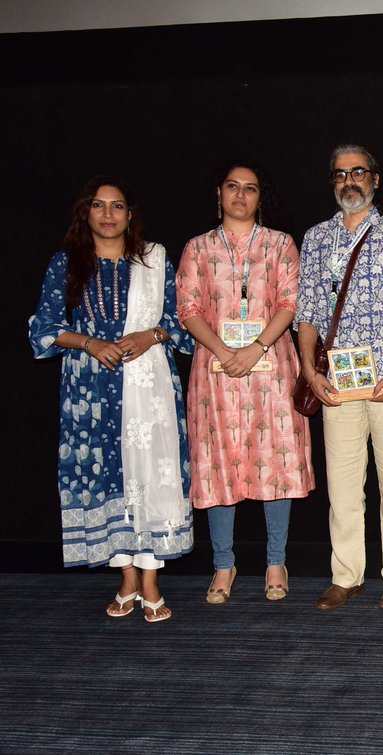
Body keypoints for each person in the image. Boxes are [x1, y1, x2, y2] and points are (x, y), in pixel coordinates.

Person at [29, 176, 193, 623]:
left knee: (152, 476)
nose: (107, 214)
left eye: (116, 206)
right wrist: (89, 344)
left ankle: (151, 579)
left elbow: (182, 322)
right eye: (98, 205)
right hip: (90, 390)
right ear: (86, 212)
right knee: (104, 477)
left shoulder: (154, 260)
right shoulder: (66, 264)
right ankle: (126, 578)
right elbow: (44, 328)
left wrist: (150, 335)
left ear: (129, 214)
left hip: (149, 386)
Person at [296, 144, 383, 611]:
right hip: (336, 382)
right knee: (342, 486)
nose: (348, 181)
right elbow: (307, 313)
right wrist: (308, 370)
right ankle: (346, 576)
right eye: (340, 174)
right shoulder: (316, 238)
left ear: (375, 179)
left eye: (357, 172)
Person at [177, 160, 315, 604]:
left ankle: (276, 561)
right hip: (215, 371)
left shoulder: (279, 244)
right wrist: (222, 350)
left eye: (250, 188)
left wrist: (255, 347)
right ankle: (223, 564)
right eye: (232, 186)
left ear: (260, 196)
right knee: (216, 463)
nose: (240, 195)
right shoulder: (198, 248)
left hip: (270, 366)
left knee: (275, 462)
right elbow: (188, 308)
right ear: (218, 193)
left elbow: (290, 302)